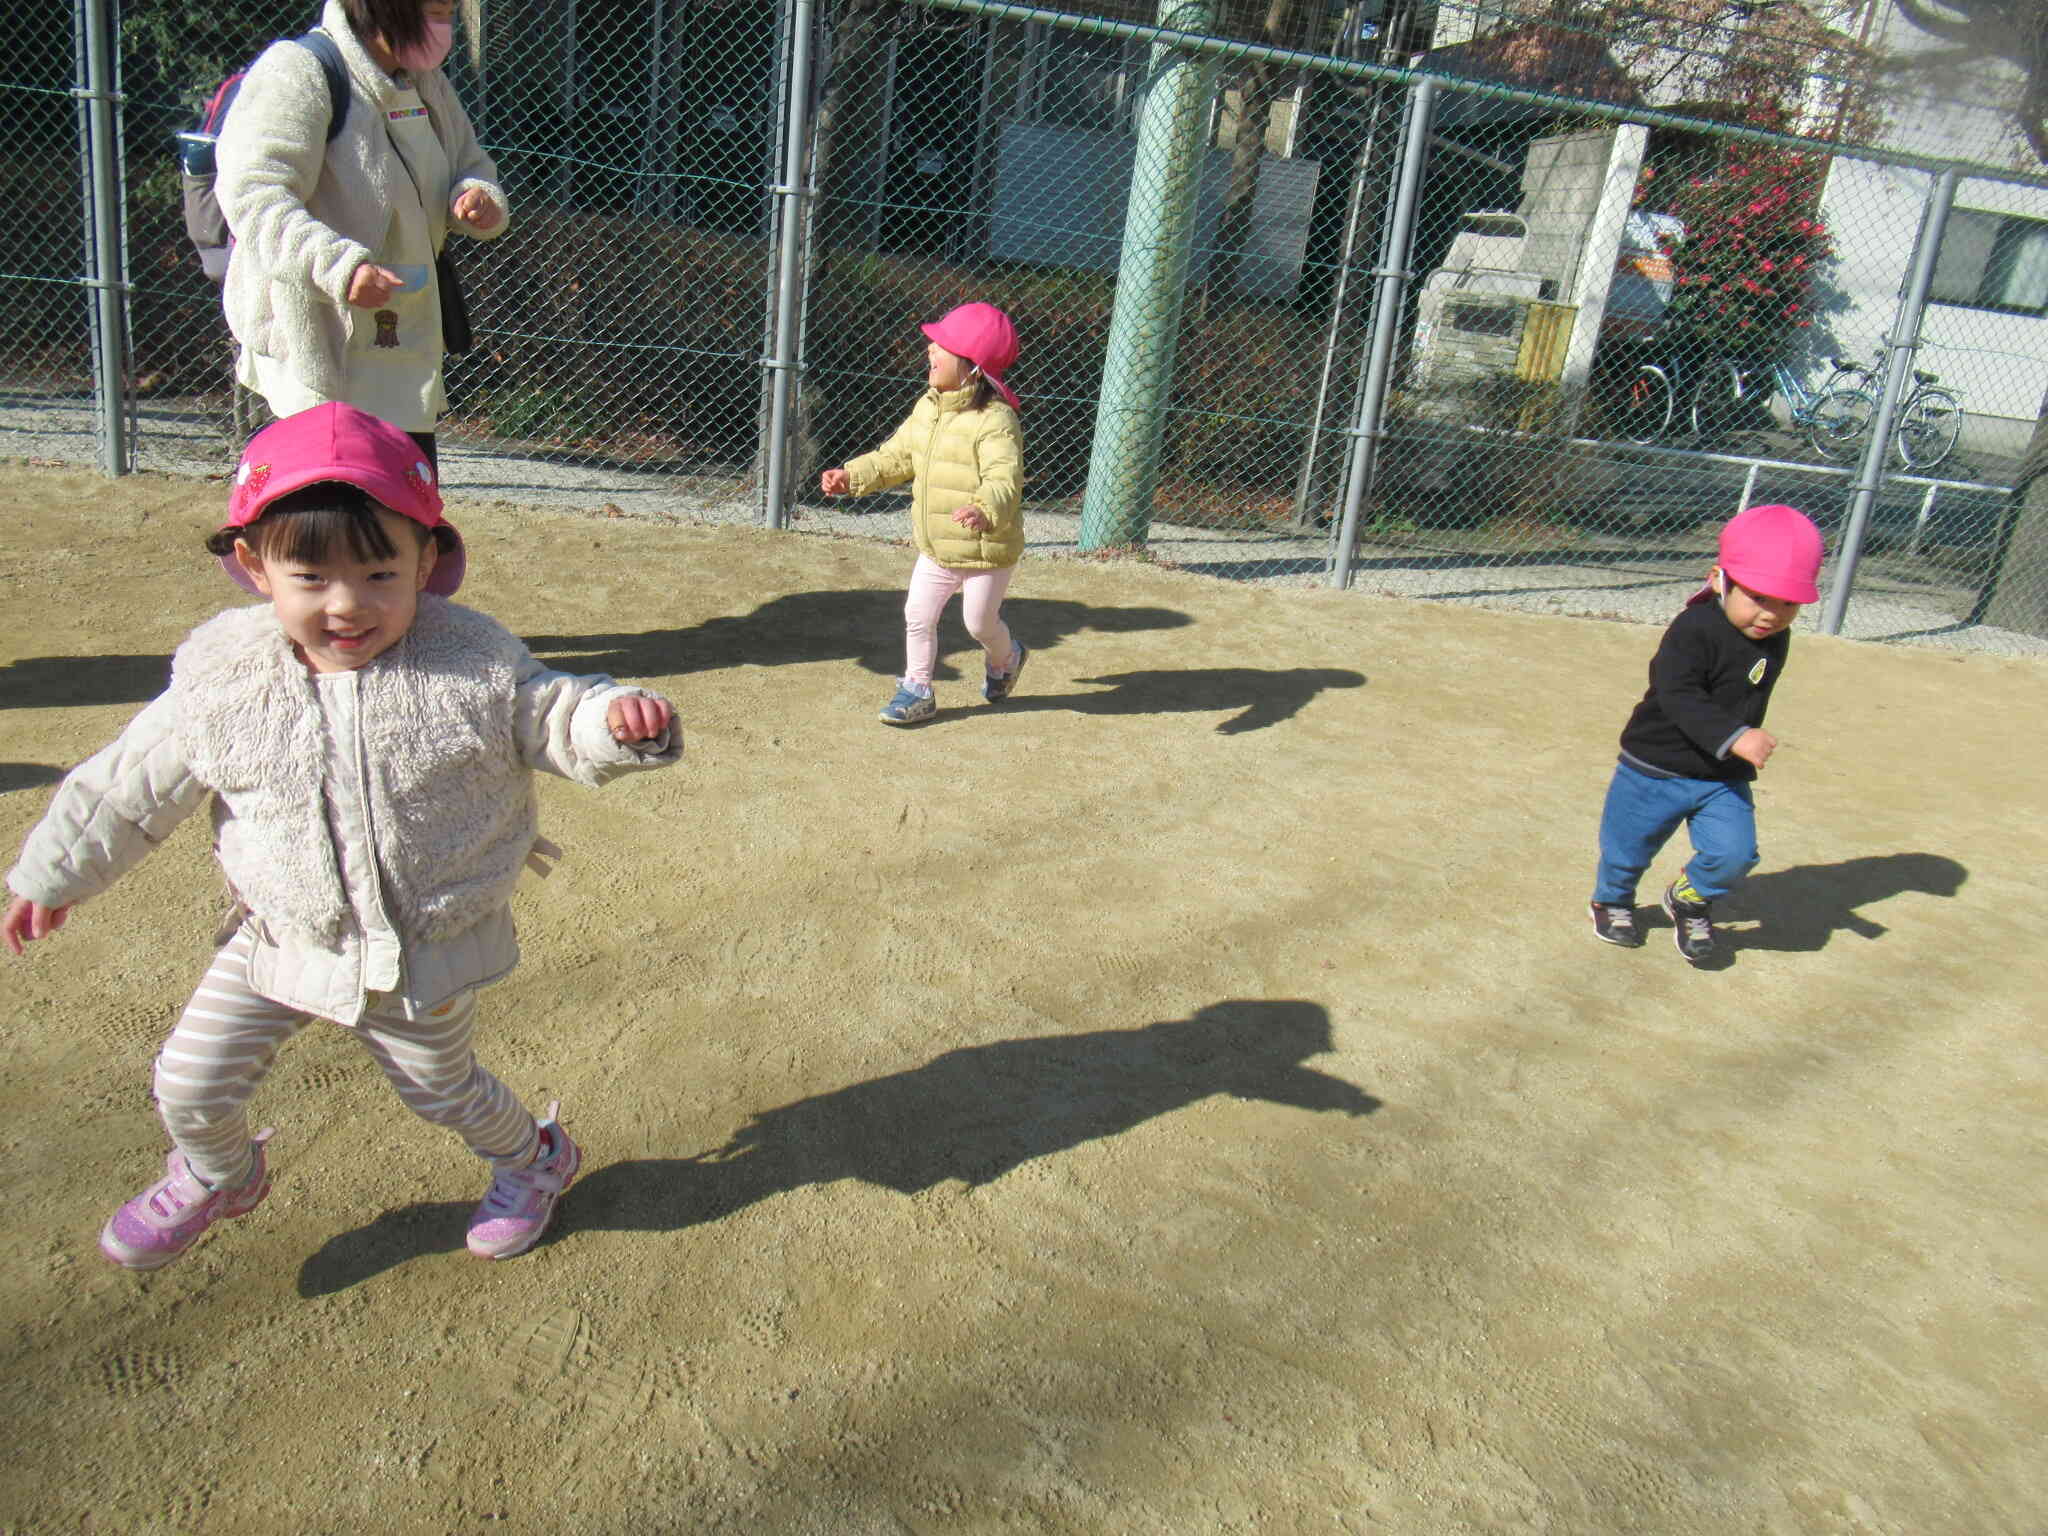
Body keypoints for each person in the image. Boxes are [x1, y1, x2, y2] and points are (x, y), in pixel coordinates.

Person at [3, 403, 680, 1269]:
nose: (348, 605)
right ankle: (221, 1174)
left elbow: (548, 713)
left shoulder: (467, 658)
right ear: (254, 566)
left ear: (427, 560)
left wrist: (612, 724)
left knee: (442, 1090)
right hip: (280, 934)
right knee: (189, 1081)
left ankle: (533, 1157)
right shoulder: (223, 675)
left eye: (379, 575)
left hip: (416, 950)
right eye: (311, 577)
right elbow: (127, 785)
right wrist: (50, 874)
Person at [216, 0, 507, 464]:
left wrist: (475, 197)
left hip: (404, 348)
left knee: (406, 514)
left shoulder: (424, 81)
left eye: (449, 13)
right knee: (329, 522)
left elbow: (470, 162)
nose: (446, 27)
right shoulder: (300, 72)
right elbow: (254, 197)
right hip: (321, 350)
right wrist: (339, 266)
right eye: (435, 12)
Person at [1587, 503, 1825, 964]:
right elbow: (1677, 693)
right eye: (1758, 597)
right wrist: (1736, 735)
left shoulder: (1774, 635)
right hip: (1655, 767)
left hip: (1720, 775)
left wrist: (1734, 745)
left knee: (1735, 854)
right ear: (1719, 579)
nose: (1772, 615)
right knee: (1628, 848)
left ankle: (1689, 898)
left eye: (1788, 603)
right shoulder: (1693, 630)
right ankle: (1612, 900)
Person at [819, 302, 1028, 724]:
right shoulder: (929, 407)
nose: (930, 350)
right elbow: (895, 457)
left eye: (942, 346)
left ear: (972, 365)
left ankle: (1007, 659)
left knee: (979, 625)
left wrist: (986, 508)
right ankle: (917, 689)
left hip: (985, 550)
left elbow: (1004, 477)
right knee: (917, 615)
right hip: (936, 546)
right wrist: (851, 476)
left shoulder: (996, 420)